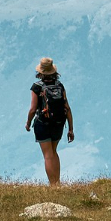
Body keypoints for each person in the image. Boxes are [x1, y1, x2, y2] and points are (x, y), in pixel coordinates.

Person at [25, 57, 73, 185]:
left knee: (47, 155)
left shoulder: (37, 87)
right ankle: (57, 183)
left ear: (40, 73)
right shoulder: (59, 85)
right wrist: (71, 129)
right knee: (54, 152)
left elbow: (32, 109)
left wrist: (28, 123)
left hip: (43, 123)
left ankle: (53, 185)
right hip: (58, 123)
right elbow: (67, 108)